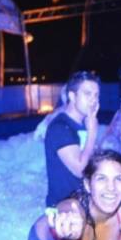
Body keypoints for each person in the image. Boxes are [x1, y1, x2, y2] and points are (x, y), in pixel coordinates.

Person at [43, 71, 100, 207]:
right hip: (65, 207)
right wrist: (92, 134)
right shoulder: (60, 128)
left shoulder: (86, 124)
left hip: (84, 201)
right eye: (87, 94)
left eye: (96, 95)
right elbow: (80, 170)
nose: (93, 100)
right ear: (72, 96)